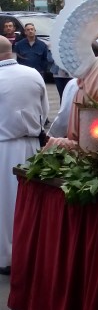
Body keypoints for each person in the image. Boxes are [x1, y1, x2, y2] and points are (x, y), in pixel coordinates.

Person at [0, 35, 49, 274]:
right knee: (28, 203)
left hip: (3, 146)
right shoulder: (33, 74)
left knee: (4, 205)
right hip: (31, 146)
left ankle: (6, 257)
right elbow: (45, 111)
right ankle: (28, 254)